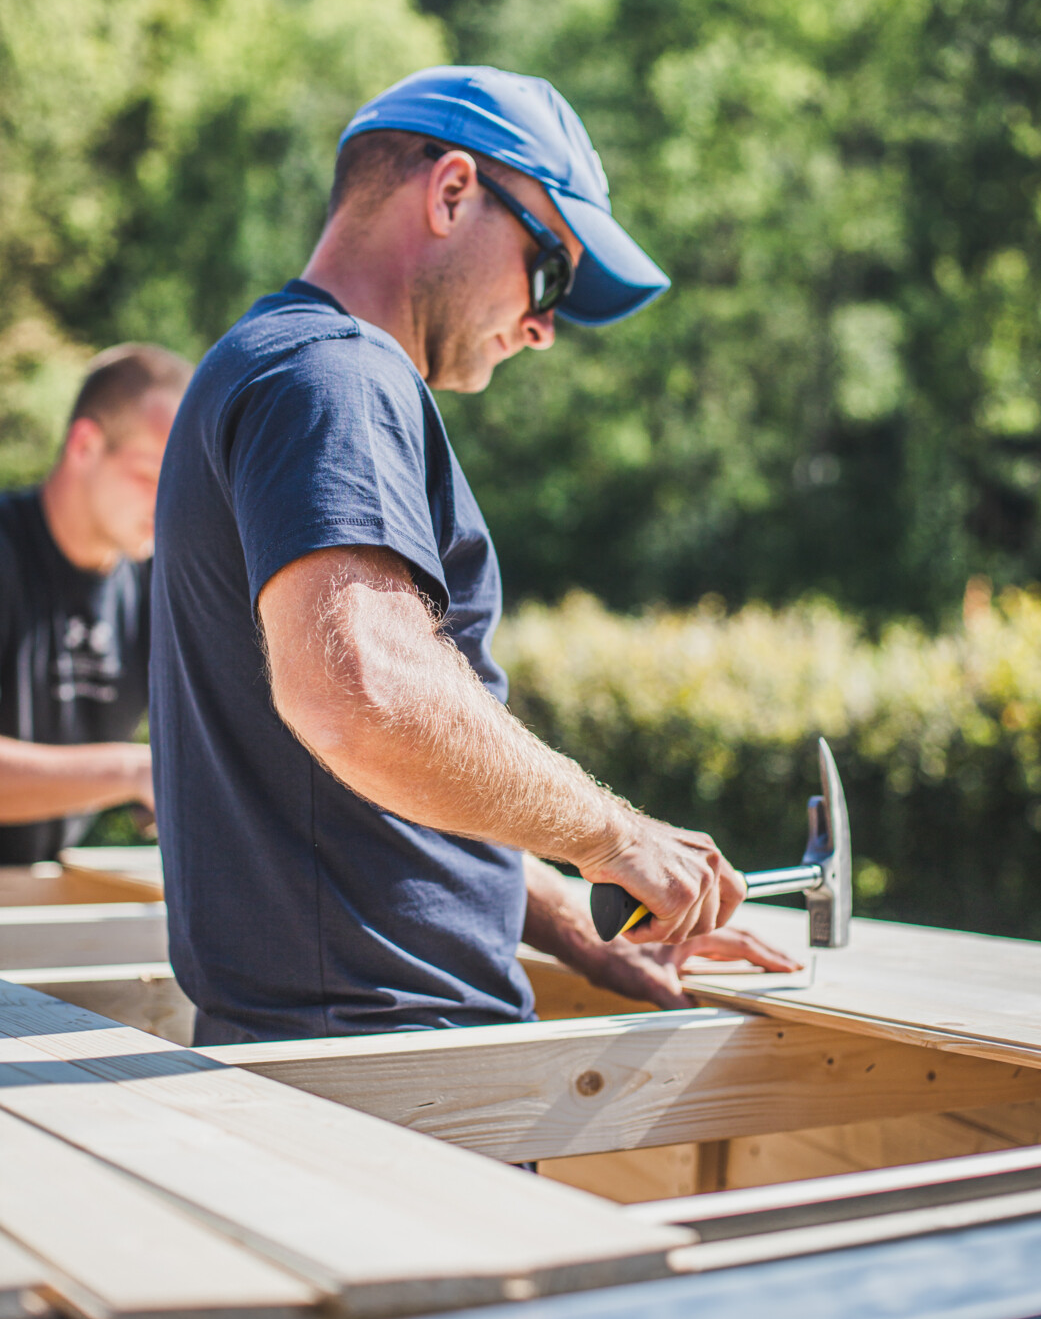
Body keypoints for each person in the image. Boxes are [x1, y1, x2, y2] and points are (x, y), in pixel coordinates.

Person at [151, 66, 797, 1046]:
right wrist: (616, 834)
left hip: (345, 1061)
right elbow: (362, 697)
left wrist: (581, 927)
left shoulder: (273, 363)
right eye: (551, 275)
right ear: (452, 192)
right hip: (385, 1083)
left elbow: (355, 792)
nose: (544, 328)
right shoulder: (336, 373)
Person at [0, 344, 192, 865]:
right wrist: (133, 773)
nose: (167, 507)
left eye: (181, 486)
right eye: (151, 478)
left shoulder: (160, 587)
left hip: (41, 894)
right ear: (85, 444)